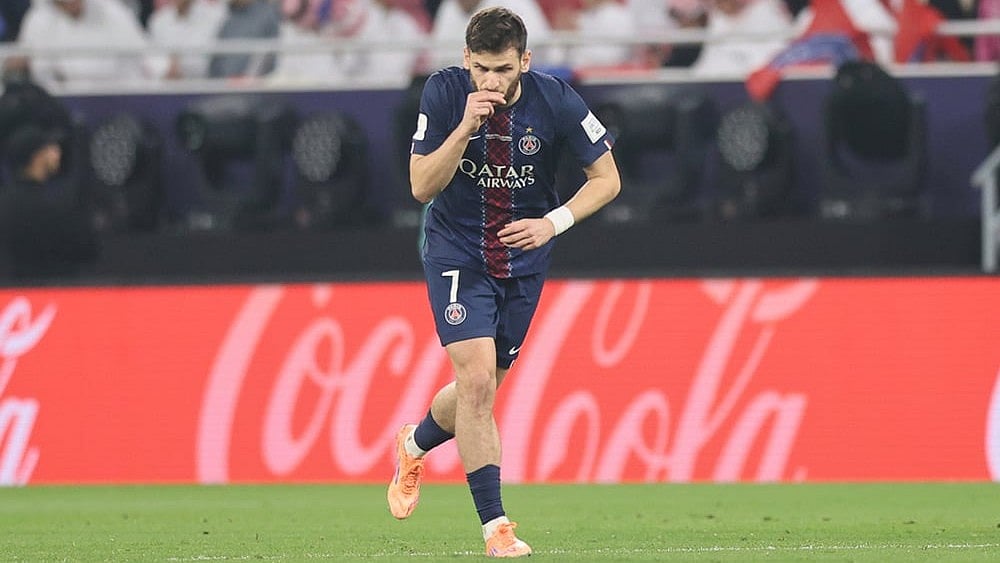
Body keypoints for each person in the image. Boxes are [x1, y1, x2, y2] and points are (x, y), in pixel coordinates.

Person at [387, 6, 621, 558]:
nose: (491, 82)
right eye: (482, 69)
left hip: (522, 256)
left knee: (483, 389)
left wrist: (552, 222)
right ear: (466, 60)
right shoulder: (444, 95)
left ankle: (414, 442)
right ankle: (497, 528)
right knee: (475, 386)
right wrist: (465, 126)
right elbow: (421, 186)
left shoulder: (557, 99)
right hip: (456, 249)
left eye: (504, 70)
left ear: (525, 62)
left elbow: (607, 179)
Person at [0, 124, 99, 280]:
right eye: (51, 148)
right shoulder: (54, 207)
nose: (57, 153)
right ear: (37, 156)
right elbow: (86, 249)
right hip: (53, 292)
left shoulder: (5, 204)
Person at [16, 0, 153, 91]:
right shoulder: (37, 21)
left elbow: (148, 55)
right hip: (61, 107)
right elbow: (38, 71)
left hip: (119, 97)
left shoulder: (113, 12)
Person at [147, 0, 227, 80]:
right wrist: (166, 67)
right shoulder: (158, 19)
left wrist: (179, 66)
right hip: (164, 84)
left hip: (199, 85)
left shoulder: (214, 17)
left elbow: (205, 60)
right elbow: (151, 56)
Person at [207, 0, 282, 79]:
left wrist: (248, 78)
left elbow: (267, 54)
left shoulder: (267, 14)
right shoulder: (228, 15)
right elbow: (216, 60)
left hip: (251, 86)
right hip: (220, 85)